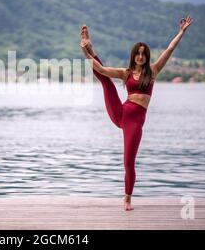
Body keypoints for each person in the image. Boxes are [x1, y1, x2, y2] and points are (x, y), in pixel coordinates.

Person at [80, 16, 193, 210]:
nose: (140, 57)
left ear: (146, 56)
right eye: (137, 54)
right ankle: (89, 45)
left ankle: (127, 199)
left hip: (135, 122)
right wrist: (86, 52)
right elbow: (102, 69)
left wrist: (181, 32)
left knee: (128, 161)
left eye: (143, 54)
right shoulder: (126, 73)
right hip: (121, 113)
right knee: (106, 81)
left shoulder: (154, 71)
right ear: (133, 56)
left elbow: (169, 50)